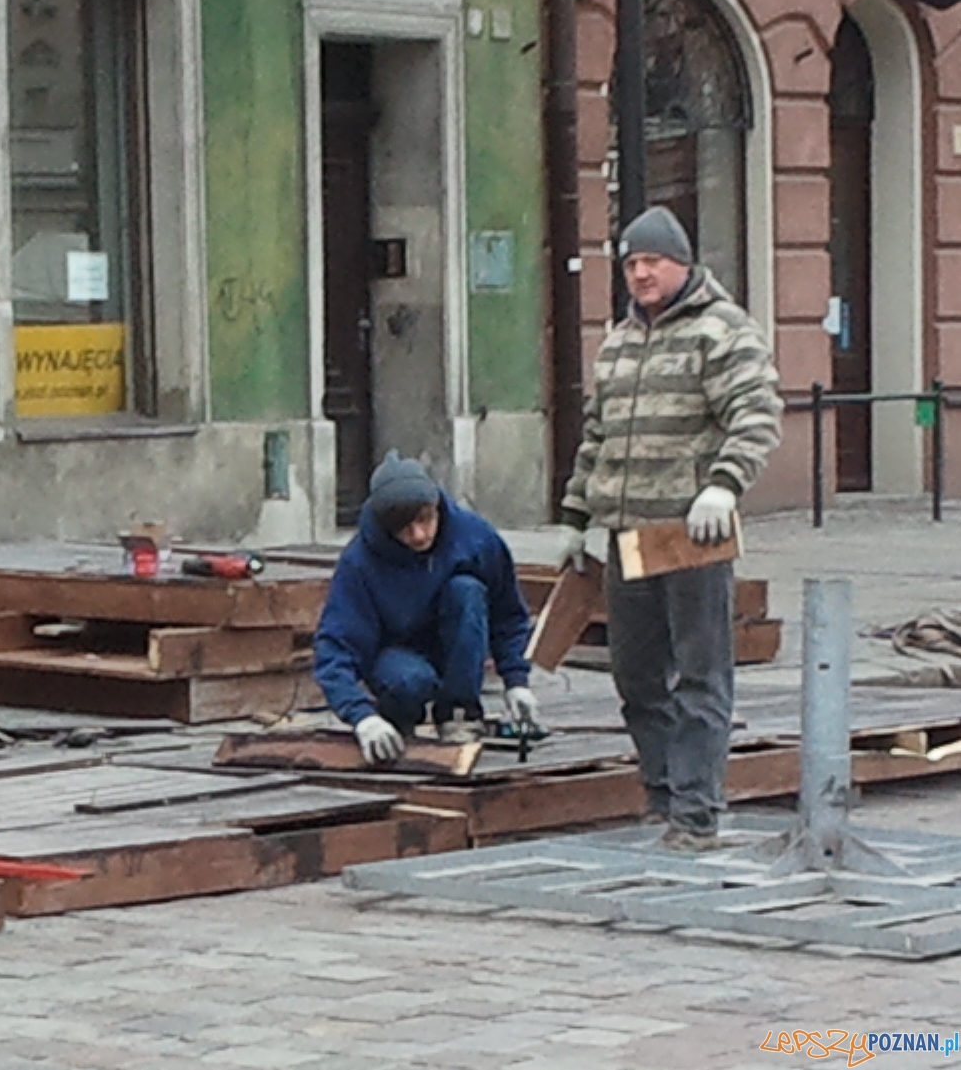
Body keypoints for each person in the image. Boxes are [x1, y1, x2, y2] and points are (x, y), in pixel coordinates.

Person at [552, 205, 782, 852]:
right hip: (627, 537)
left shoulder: (721, 329)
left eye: (651, 260)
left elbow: (756, 411)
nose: (640, 273)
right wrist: (575, 518)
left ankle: (695, 811)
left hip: (689, 535)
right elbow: (596, 436)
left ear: (681, 262)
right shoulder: (620, 340)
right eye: (630, 263)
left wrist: (723, 483)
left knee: (700, 677)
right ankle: (659, 793)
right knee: (636, 675)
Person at [313, 452, 542, 765]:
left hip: (457, 646)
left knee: (467, 591)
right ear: (385, 527)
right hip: (397, 656)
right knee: (408, 681)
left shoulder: (476, 537)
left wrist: (517, 682)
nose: (419, 535)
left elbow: (508, 614)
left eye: (425, 520)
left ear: (437, 508)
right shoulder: (359, 562)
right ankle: (398, 722)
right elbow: (335, 647)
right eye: (404, 528)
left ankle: (459, 716)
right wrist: (363, 717)